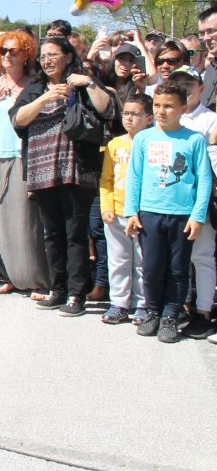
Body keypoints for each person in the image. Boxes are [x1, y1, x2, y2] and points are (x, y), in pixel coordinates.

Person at [12, 36, 115, 316]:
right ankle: (57, 290)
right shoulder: (35, 87)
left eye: (52, 54)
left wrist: (89, 83)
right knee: (52, 234)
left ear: (68, 56)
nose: (46, 60)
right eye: (43, 56)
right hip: (42, 171)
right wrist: (46, 96)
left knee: (75, 235)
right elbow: (18, 120)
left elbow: (108, 110)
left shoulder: (82, 82)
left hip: (77, 170)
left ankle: (76, 295)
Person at [125, 82, 212, 342]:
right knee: (151, 267)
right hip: (149, 214)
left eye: (169, 106)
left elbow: (204, 179)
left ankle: (171, 315)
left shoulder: (194, 139)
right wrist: (132, 212)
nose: (162, 111)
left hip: (182, 216)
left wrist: (197, 216)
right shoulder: (143, 138)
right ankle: (152, 311)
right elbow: (134, 177)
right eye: (157, 105)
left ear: (183, 108)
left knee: (177, 268)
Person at [0, 30, 51, 296]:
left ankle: (33, 278)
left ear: (26, 54)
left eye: (13, 51)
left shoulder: (35, 84)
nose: (6, 55)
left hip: (20, 154)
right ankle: (5, 274)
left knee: (22, 220)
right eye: (2, 50)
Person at [170, 66, 217, 338]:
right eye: (178, 84)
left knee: (201, 257)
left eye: (190, 84)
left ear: (201, 88)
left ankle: (203, 312)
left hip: (201, 201)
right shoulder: (167, 119)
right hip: (172, 201)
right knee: (177, 259)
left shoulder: (211, 121)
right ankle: (179, 306)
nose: (184, 89)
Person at [99, 93, 151, 325]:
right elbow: (106, 179)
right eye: (126, 113)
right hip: (117, 213)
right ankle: (119, 303)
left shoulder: (154, 143)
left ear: (149, 118)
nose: (129, 118)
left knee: (142, 261)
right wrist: (106, 207)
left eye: (135, 114)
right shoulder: (114, 144)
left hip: (142, 215)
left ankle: (142, 304)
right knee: (118, 259)